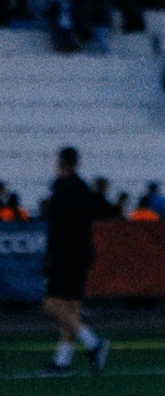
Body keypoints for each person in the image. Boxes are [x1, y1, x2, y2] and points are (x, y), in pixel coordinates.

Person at [38, 147, 111, 377]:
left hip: (66, 254)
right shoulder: (82, 188)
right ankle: (62, 361)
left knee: (51, 304)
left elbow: (58, 227)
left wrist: (51, 255)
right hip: (82, 252)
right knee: (71, 308)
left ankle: (93, 343)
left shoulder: (62, 189)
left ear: (60, 163)